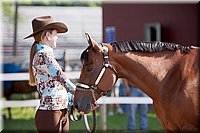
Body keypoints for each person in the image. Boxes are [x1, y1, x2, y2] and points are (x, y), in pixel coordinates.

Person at [24, 16, 76, 132]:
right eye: (55, 34)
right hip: (51, 113)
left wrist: (73, 99)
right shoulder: (43, 55)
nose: (57, 38)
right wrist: (79, 93)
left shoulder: (46, 54)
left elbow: (58, 86)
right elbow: (61, 77)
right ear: (48, 35)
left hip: (59, 111)